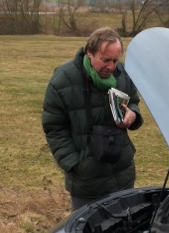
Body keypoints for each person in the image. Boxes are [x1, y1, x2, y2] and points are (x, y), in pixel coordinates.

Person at [42, 27, 144, 211]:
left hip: (122, 174)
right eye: (105, 60)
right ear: (89, 53)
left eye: (115, 60)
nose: (111, 67)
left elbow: (134, 101)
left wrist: (132, 114)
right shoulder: (62, 81)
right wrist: (75, 165)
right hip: (87, 184)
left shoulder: (122, 73)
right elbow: (54, 128)